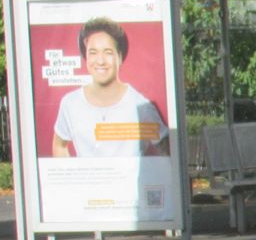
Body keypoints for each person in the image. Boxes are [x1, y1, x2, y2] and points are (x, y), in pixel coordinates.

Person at [50, 18, 170, 157]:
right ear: (85, 57)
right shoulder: (70, 103)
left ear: (120, 57)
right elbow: (59, 146)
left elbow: (169, 151)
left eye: (108, 52)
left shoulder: (140, 106)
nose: (100, 61)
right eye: (93, 52)